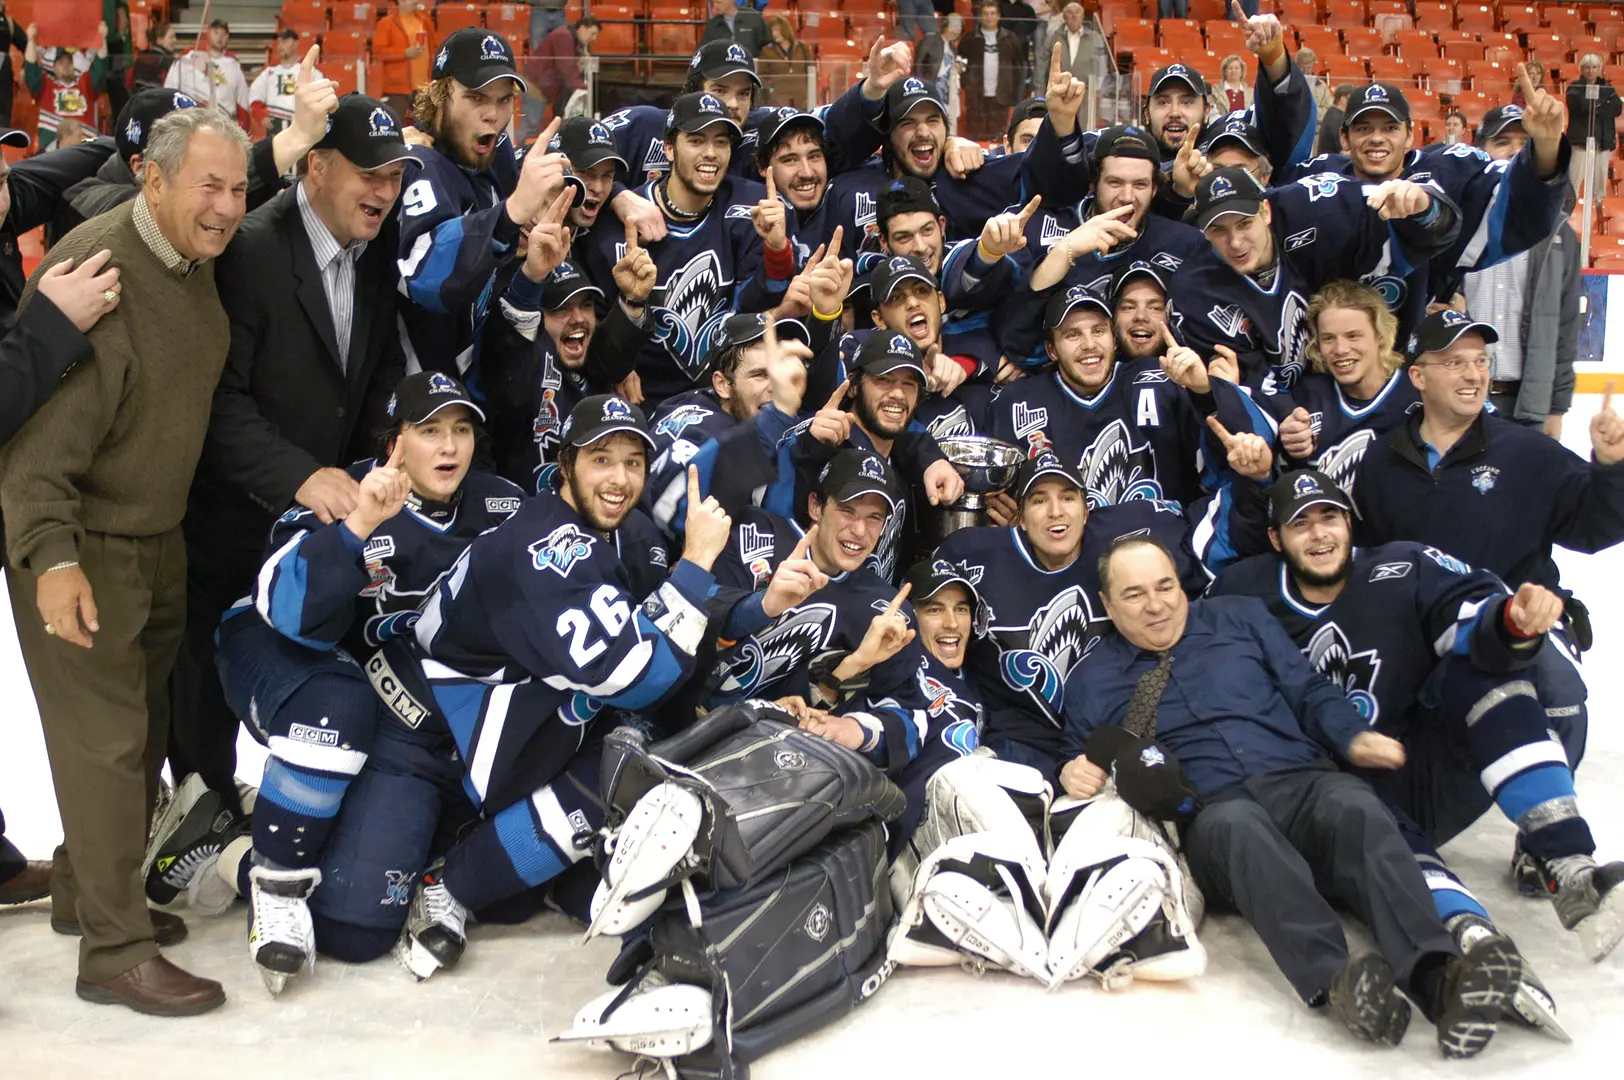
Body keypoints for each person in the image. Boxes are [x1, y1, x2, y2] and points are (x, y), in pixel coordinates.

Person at [1059, 537, 1524, 1058]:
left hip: (1299, 778)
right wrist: (1071, 769)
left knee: (1357, 807)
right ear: (1107, 604)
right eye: (1135, 594)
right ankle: (1340, 980)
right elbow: (1081, 754)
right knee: (1240, 826)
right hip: (1211, 810)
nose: (1157, 604)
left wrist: (1351, 737)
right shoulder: (1091, 679)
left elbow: (1308, 690)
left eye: (1166, 586)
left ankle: (1440, 977)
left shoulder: (1241, 619)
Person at [147, 372, 527, 994]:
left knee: (354, 934)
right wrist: (356, 529)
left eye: (460, 430)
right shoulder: (343, 491)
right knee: (336, 709)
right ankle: (253, 863)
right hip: (287, 658)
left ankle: (243, 834)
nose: (449, 446)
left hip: (401, 715)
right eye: (428, 431)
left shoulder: (501, 506)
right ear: (393, 442)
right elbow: (287, 614)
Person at [1, 105, 251, 1017]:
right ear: (151, 179)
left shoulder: (196, 264)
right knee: (103, 747)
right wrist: (51, 559)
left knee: (139, 738)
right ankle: (113, 950)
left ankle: (86, 893)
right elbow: (32, 449)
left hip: (157, 536)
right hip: (81, 545)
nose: (226, 207)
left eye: (238, 187)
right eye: (208, 187)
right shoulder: (95, 272)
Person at [1210, 471, 1623, 983]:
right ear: (1276, 539)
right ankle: (1470, 937)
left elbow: (1476, 622)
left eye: (1329, 518)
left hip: (1417, 768)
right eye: (1300, 524)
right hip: (1326, 803)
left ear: (1349, 523)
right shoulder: (1240, 593)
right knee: (1354, 804)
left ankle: (1569, 864)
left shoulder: (1405, 566)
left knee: (1484, 674)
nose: (1319, 535)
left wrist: (1513, 621)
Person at [384, 395, 733, 979]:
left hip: (518, 724)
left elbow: (653, 621)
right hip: (452, 742)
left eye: (632, 462)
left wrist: (759, 607)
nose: (620, 478)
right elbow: (636, 677)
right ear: (566, 465)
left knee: (527, 892)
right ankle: (449, 884)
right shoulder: (547, 544)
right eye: (601, 459)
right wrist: (695, 563)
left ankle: (537, 869)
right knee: (623, 763)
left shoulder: (605, 529)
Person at [167, 94, 413, 816]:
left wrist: (390, 450)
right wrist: (301, 476)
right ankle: (199, 819)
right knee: (205, 707)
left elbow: (366, 377)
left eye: (394, 176)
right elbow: (217, 402)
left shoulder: (373, 253)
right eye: (368, 173)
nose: (383, 191)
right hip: (230, 525)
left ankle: (290, 817)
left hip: (321, 530)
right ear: (316, 167)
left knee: (316, 687)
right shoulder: (248, 250)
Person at [934, 454, 1208, 775]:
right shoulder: (975, 558)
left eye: (1067, 497)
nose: (1055, 511)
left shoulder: (1126, 552)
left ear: (1087, 509)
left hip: (1111, 737)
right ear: (1020, 517)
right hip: (1019, 746)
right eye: (1039, 501)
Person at [1351, 309, 1624, 601]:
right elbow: (1369, 562)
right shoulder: (1382, 458)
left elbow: (1594, 529)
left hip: (1511, 630)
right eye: (1455, 363)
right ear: (1418, 377)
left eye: (1481, 361)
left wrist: (1613, 468)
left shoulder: (1530, 452)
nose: (1474, 376)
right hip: (1417, 632)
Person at [1460, 105, 1581, 436]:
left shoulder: (1560, 235)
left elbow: (1567, 328)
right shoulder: (1455, 225)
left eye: (1525, 142)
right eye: (1501, 141)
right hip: (1458, 401)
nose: (1514, 151)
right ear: (1480, 149)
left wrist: (1556, 408)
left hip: (1527, 408)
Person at [22, 23, 110, 150]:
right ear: (54, 68)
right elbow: (30, 68)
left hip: (85, 147)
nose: (65, 65)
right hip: (52, 149)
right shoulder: (46, 86)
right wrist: (31, 40)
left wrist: (102, 37)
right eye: (61, 62)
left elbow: (100, 67)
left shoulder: (85, 85)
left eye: (69, 62)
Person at [164, 19, 251, 129]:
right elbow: (170, 90)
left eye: (224, 34)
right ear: (208, 33)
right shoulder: (187, 58)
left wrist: (243, 129)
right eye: (216, 32)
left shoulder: (234, 64)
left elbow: (242, 101)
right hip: (191, 125)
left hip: (223, 126)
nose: (220, 37)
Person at [962, 2, 1023, 143]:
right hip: (976, 97)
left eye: (992, 13)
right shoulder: (970, 39)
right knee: (975, 138)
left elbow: (1018, 67)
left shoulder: (1010, 39)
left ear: (998, 16)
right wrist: (969, 84)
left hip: (1001, 95)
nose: (989, 17)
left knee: (997, 140)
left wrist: (1011, 87)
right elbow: (960, 65)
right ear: (980, 16)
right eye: (985, 13)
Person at [1564, 52, 1619, 206]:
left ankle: (1599, 212)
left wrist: (1596, 106)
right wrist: (1603, 104)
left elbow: (1616, 108)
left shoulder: (1608, 86)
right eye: (1587, 67)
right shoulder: (1574, 87)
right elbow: (1580, 106)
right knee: (1574, 179)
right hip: (1580, 141)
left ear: (1599, 69)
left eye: (1594, 67)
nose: (1591, 71)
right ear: (1581, 69)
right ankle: (1570, 212)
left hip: (1603, 141)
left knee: (1600, 182)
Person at [371, 0, 436, 121]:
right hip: (397, 89)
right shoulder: (386, 24)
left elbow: (434, 47)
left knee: (426, 129)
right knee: (393, 126)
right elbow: (379, 52)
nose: (416, 1)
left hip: (423, 87)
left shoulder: (425, 21)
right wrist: (405, 53)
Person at [534, 15, 600, 123]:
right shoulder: (564, 36)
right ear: (583, 28)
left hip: (547, 85)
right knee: (530, 127)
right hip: (536, 86)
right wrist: (584, 88)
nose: (594, 38)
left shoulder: (572, 40)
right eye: (592, 34)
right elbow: (567, 69)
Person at [249, 29, 315, 137]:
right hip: (276, 126)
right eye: (279, 42)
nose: (280, 46)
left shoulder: (308, 70)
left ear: (296, 43)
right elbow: (254, 97)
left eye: (285, 41)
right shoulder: (270, 72)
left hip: (300, 125)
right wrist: (261, 116)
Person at [758, 15, 812, 110]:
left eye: (777, 30)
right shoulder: (767, 50)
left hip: (801, 98)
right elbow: (761, 75)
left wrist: (809, 94)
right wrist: (771, 90)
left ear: (785, 30)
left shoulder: (802, 48)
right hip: (779, 99)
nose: (774, 34)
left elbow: (811, 72)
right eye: (772, 31)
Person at [915, 14, 963, 109]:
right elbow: (918, 65)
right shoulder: (929, 40)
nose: (956, 31)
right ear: (945, 26)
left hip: (949, 88)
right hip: (932, 87)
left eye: (959, 28)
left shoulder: (953, 48)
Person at [701, 0, 770, 57]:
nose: (715, 6)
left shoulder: (753, 18)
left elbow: (768, 44)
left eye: (718, 2)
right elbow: (703, 50)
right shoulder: (713, 24)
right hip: (724, 70)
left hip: (750, 69)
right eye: (714, 2)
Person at [126, 20, 177, 93]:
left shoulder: (140, 58)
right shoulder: (168, 61)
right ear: (159, 40)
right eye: (171, 37)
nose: (175, 40)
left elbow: (128, 82)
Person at [0, 1, 27, 127]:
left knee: (3, 115)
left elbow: (26, 44)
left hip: (3, 74)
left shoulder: (9, 23)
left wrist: (24, 69)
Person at [1317, 83, 1353, 157]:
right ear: (1343, 99)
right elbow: (1343, 152)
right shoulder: (1336, 119)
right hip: (1331, 164)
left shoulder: (1333, 113)